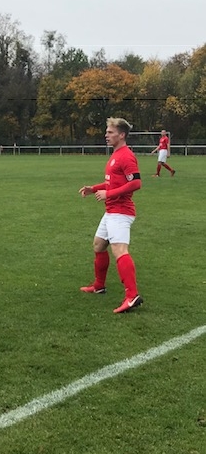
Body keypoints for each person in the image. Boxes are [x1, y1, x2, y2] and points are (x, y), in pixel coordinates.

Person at [79, 117, 143, 314]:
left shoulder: (126, 156)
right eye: (107, 132)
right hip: (111, 211)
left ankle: (132, 296)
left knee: (120, 250)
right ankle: (99, 286)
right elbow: (111, 183)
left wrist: (109, 194)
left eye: (110, 132)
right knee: (99, 245)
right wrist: (94, 189)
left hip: (121, 212)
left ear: (121, 135)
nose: (106, 135)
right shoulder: (116, 154)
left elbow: (136, 183)